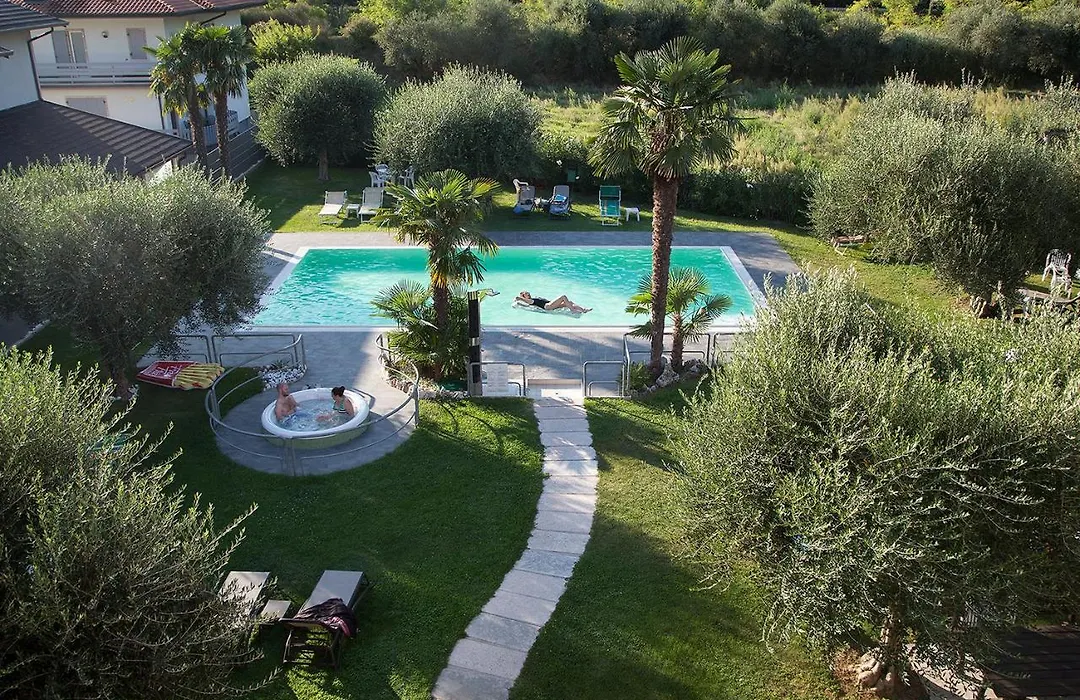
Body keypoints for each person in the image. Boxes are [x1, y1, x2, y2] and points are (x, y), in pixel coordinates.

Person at [516, 290, 591, 314]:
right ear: (524, 297)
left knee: (569, 302)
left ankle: (583, 310)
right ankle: (573, 310)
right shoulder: (530, 301)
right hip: (548, 306)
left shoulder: (532, 299)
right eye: (526, 294)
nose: (528, 294)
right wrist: (519, 299)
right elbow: (521, 299)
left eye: (528, 293)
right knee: (563, 296)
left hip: (550, 304)